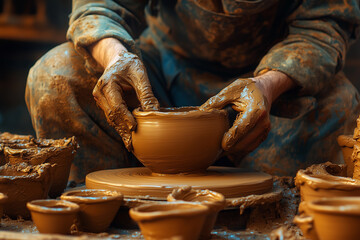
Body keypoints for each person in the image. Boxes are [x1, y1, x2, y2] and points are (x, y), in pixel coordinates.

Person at [26, 0, 360, 183]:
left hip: (267, 87)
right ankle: (102, 212)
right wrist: (116, 56)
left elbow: (324, 25)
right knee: (54, 76)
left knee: (339, 104)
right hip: (158, 73)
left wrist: (268, 86)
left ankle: (266, 209)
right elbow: (100, 5)